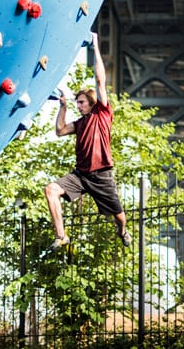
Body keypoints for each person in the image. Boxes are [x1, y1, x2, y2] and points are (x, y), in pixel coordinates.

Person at [44, 33, 131, 251]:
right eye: (76, 103)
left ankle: (122, 231)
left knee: (120, 217)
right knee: (50, 190)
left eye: (81, 102)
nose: (79, 106)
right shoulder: (80, 123)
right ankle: (61, 236)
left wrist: (95, 45)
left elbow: (100, 81)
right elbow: (60, 130)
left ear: (91, 102)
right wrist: (63, 107)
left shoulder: (102, 113)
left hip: (102, 175)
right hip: (81, 175)